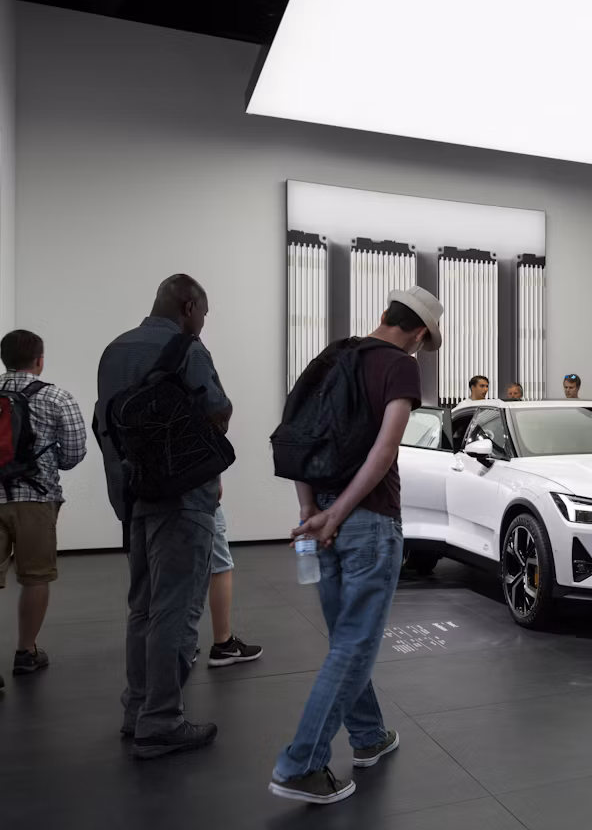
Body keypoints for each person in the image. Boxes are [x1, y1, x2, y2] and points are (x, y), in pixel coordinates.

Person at [270, 285, 443, 805]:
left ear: (384, 313)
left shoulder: (331, 357)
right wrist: (341, 512)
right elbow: (385, 450)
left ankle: (368, 736)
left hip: (323, 514)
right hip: (368, 521)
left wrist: (312, 509)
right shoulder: (399, 365)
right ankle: (301, 764)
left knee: (346, 639)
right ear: (419, 333)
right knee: (354, 644)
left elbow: (296, 437)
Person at [95, 274, 231, 758]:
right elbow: (217, 410)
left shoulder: (114, 351)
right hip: (183, 496)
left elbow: (106, 422)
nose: (203, 323)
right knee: (177, 608)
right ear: (189, 306)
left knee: (144, 608)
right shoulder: (187, 349)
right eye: (204, 314)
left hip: (133, 496)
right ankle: (161, 721)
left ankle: (137, 710)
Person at [0, 330, 87, 690]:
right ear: (39, 360)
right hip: (36, 499)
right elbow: (74, 452)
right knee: (35, 577)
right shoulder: (56, 397)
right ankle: (26, 652)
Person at [202, 506, 263, 667]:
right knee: (221, 566)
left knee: (181, 568)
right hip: (199, 501)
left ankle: (182, 643)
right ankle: (224, 645)